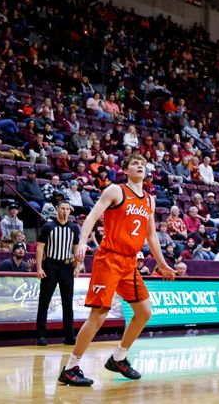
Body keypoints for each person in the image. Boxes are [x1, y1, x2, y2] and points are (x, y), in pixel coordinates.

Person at [57, 154, 175, 387]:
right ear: (125, 169)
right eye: (134, 163)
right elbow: (92, 216)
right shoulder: (115, 191)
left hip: (130, 262)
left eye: (143, 163)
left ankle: (119, 358)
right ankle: (70, 367)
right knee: (99, 314)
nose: (140, 165)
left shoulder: (150, 200)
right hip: (109, 258)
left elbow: (151, 235)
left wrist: (161, 263)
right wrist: (81, 242)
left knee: (144, 312)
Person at [35, 201, 81, 346]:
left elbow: (76, 249)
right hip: (50, 265)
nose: (65, 211)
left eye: (67, 209)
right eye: (62, 208)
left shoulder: (74, 228)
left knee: (68, 302)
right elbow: (40, 248)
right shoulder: (48, 226)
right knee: (44, 301)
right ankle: (41, 336)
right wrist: (39, 268)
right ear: (57, 210)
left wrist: (78, 266)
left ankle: (69, 336)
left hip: (67, 266)